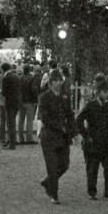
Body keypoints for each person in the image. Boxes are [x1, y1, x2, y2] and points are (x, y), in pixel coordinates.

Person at [75, 75, 108, 200]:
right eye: (104, 92)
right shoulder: (90, 105)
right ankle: (92, 192)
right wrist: (86, 135)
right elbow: (78, 120)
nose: (107, 94)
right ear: (99, 92)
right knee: (92, 169)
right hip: (93, 142)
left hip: (106, 141)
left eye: (107, 92)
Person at [37, 69, 75, 204]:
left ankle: (47, 182)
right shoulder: (44, 98)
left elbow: (70, 115)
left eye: (60, 81)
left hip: (63, 137)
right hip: (49, 137)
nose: (59, 83)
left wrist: (73, 131)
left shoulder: (64, 97)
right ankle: (54, 195)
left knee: (64, 165)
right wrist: (60, 126)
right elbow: (44, 117)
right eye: (56, 81)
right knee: (52, 167)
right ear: (51, 83)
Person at [0, 63, 22, 149]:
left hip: (9, 102)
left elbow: (4, 92)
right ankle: (10, 140)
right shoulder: (16, 76)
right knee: (12, 122)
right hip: (17, 101)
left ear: (3, 69)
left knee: (10, 123)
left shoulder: (6, 78)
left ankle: (12, 143)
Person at [18, 64, 40, 145]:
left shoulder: (20, 78)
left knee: (21, 120)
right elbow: (34, 90)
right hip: (30, 101)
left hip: (21, 101)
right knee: (29, 120)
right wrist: (35, 100)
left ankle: (21, 138)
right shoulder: (31, 78)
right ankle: (29, 138)